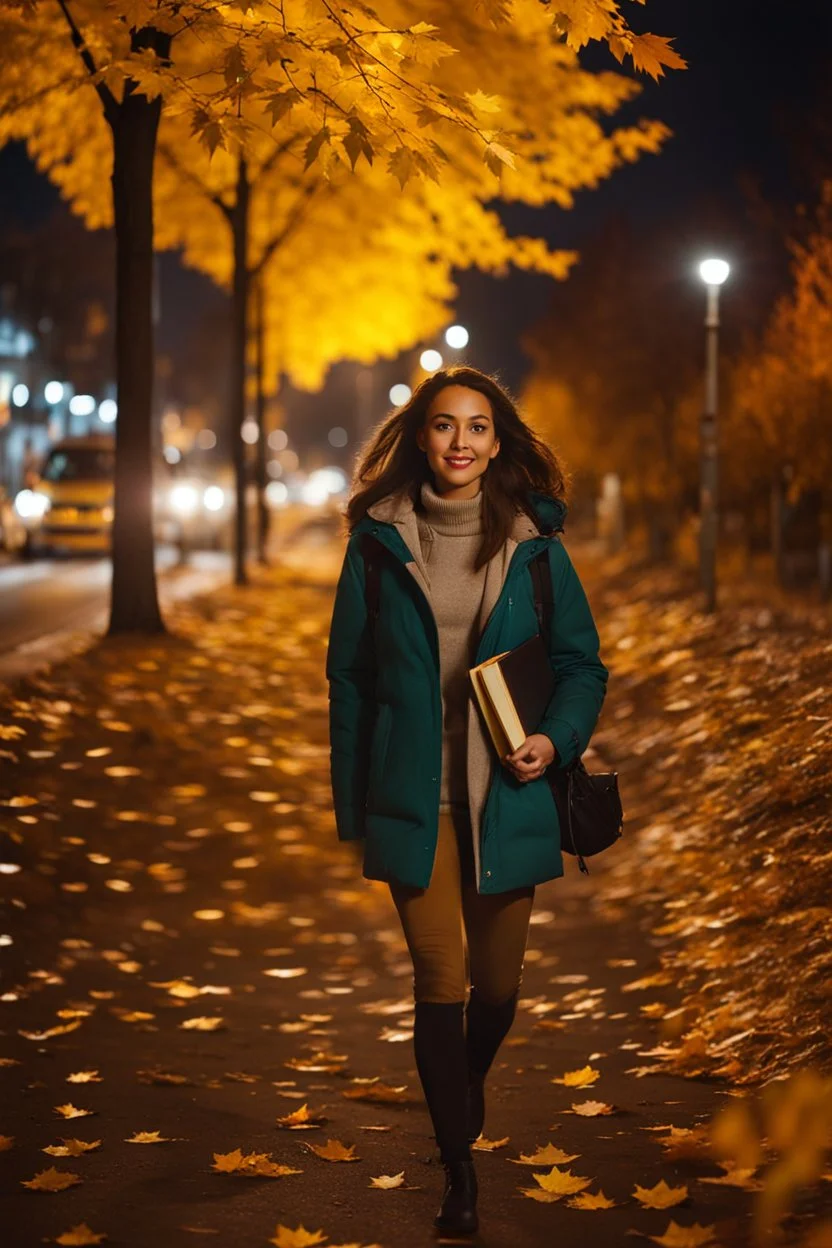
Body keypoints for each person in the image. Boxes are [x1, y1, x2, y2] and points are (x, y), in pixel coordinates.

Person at [325, 365, 609, 1236]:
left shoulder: (534, 544)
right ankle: (460, 1171)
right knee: (438, 984)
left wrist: (554, 739)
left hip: (509, 795)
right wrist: (354, 809)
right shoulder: (377, 542)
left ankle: (463, 1081)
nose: (461, 442)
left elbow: (579, 666)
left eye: (478, 427)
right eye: (445, 426)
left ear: (497, 440)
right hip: (415, 800)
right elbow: (350, 678)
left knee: (497, 988)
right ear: (420, 436)